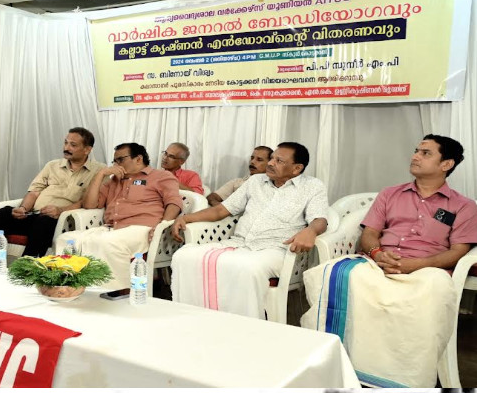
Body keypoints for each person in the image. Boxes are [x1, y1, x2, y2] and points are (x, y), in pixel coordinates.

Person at [301, 135, 477, 387]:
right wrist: (376, 253)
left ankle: (402, 380)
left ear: (446, 164)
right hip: (379, 262)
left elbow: (459, 250)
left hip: (427, 269)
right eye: (416, 150)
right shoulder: (390, 194)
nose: (415, 156)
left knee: (435, 289)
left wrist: (416, 265)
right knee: (332, 272)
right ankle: (337, 364)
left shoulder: (464, 206)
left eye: (426, 153)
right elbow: (370, 234)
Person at [170, 142, 329, 319]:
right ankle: (194, 317)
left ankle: (243, 325)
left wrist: (311, 231)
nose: (271, 163)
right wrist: (186, 218)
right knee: (183, 256)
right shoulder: (255, 181)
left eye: (279, 161)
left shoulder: (313, 186)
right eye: (272, 158)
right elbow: (221, 210)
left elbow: (320, 220)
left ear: (297, 168)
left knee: (246, 267)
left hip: (276, 248)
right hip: (238, 243)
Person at [55, 143, 182, 289]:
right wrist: (101, 174)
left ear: (138, 159)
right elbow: (89, 204)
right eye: (114, 161)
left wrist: (162, 225)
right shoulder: (114, 180)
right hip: (111, 228)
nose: (116, 165)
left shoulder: (161, 176)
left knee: (108, 242)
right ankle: (70, 288)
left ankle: (117, 292)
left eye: (120, 160)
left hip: (143, 229)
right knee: (66, 239)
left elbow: (174, 203)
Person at [0, 128, 104, 262]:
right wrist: (23, 208)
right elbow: (34, 192)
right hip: (33, 214)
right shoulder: (52, 166)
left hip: (61, 221)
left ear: (87, 149)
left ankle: (25, 268)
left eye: (73, 145)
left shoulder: (99, 171)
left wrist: (60, 210)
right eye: (65, 143)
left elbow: (86, 202)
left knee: (44, 222)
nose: (66, 148)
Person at [206, 146, 272, 206]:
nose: (252, 162)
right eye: (252, 158)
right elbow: (212, 197)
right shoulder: (237, 182)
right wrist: (224, 208)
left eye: (259, 160)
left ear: (270, 163)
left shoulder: (271, 186)